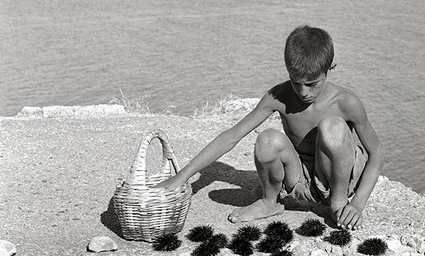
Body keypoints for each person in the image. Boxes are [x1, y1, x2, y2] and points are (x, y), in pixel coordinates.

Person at [155, 25, 385, 230]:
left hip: (338, 178)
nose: (304, 92)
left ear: (328, 69)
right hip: (302, 180)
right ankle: (269, 202)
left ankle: (338, 204)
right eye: (297, 83)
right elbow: (232, 136)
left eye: (312, 84)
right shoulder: (279, 96)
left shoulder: (346, 102)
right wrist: (181, 177)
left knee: (332, 126)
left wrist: (357, 204)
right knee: (267, 140)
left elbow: (377, 153)